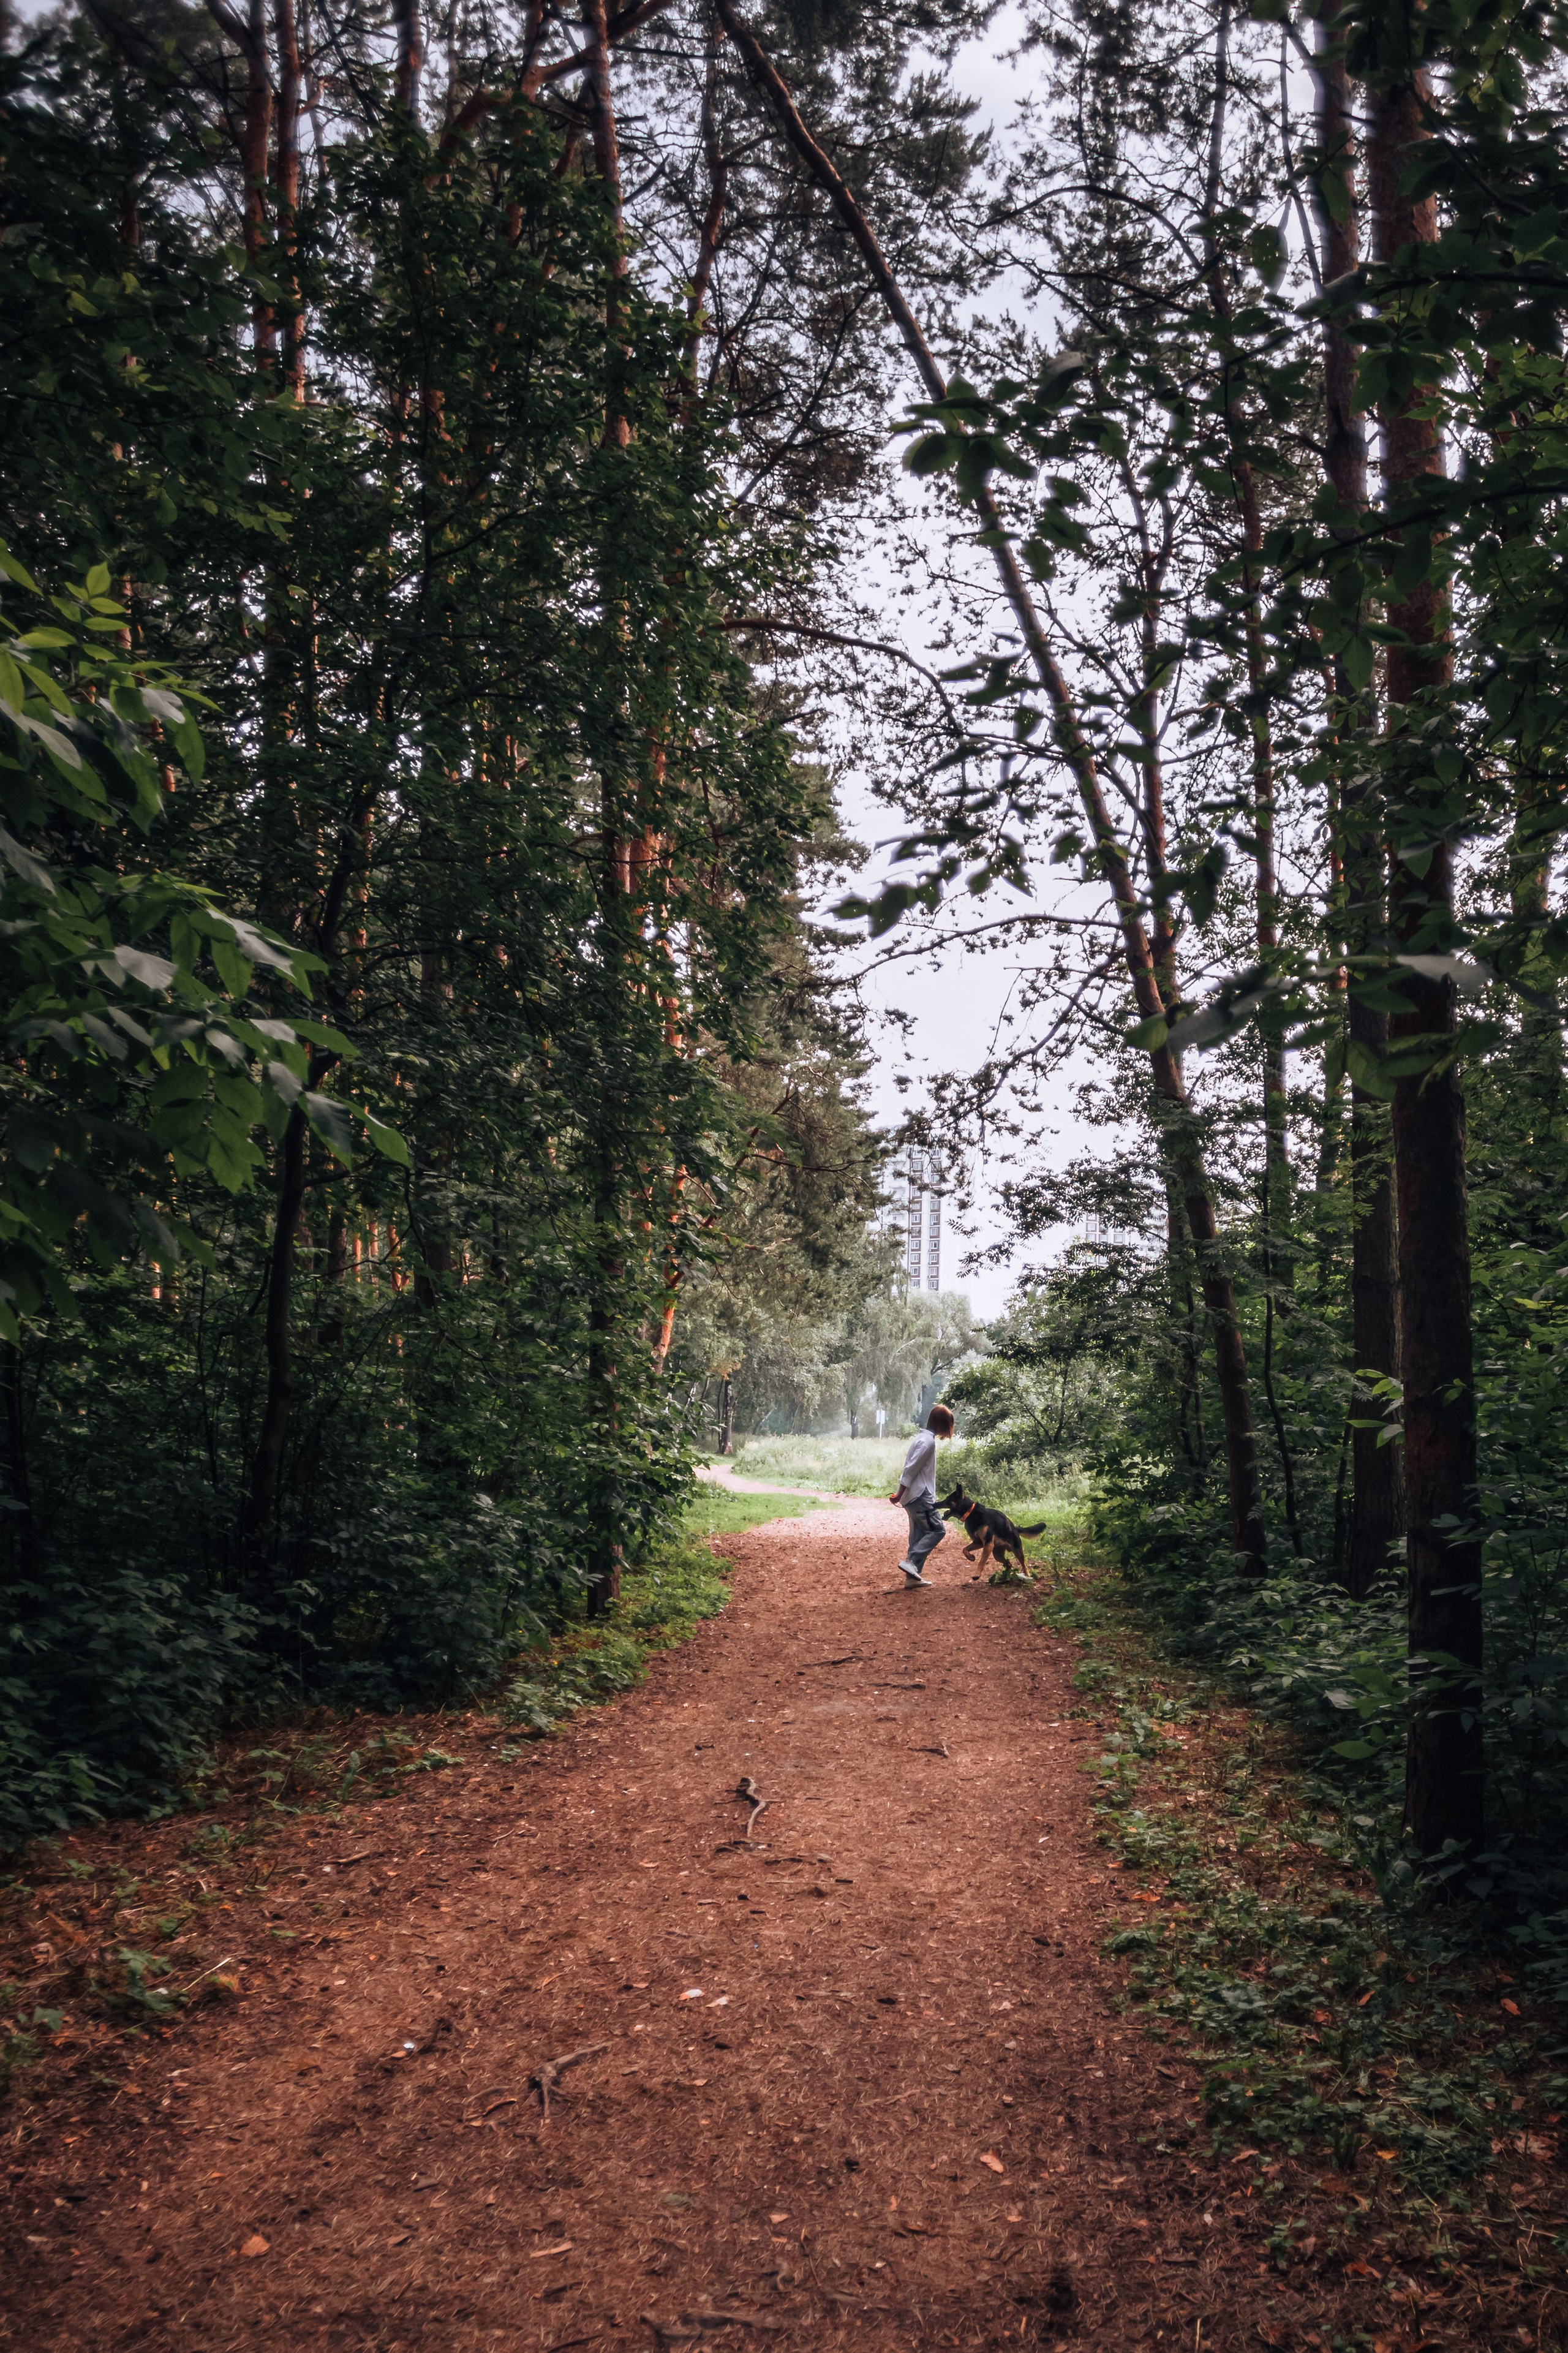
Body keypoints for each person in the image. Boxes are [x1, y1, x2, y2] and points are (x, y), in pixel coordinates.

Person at [889, 1404, 954, 1588]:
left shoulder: (921, 1438)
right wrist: (898, 1494)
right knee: (937, 1530)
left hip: (912, 1497)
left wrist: (901, 1495)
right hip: (919, 1496)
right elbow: (910, 1470)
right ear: (942, 1423)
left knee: (918, 1536)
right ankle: (911, 1563)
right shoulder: (928, 1442)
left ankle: (912, 1578)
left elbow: (912, 1469)